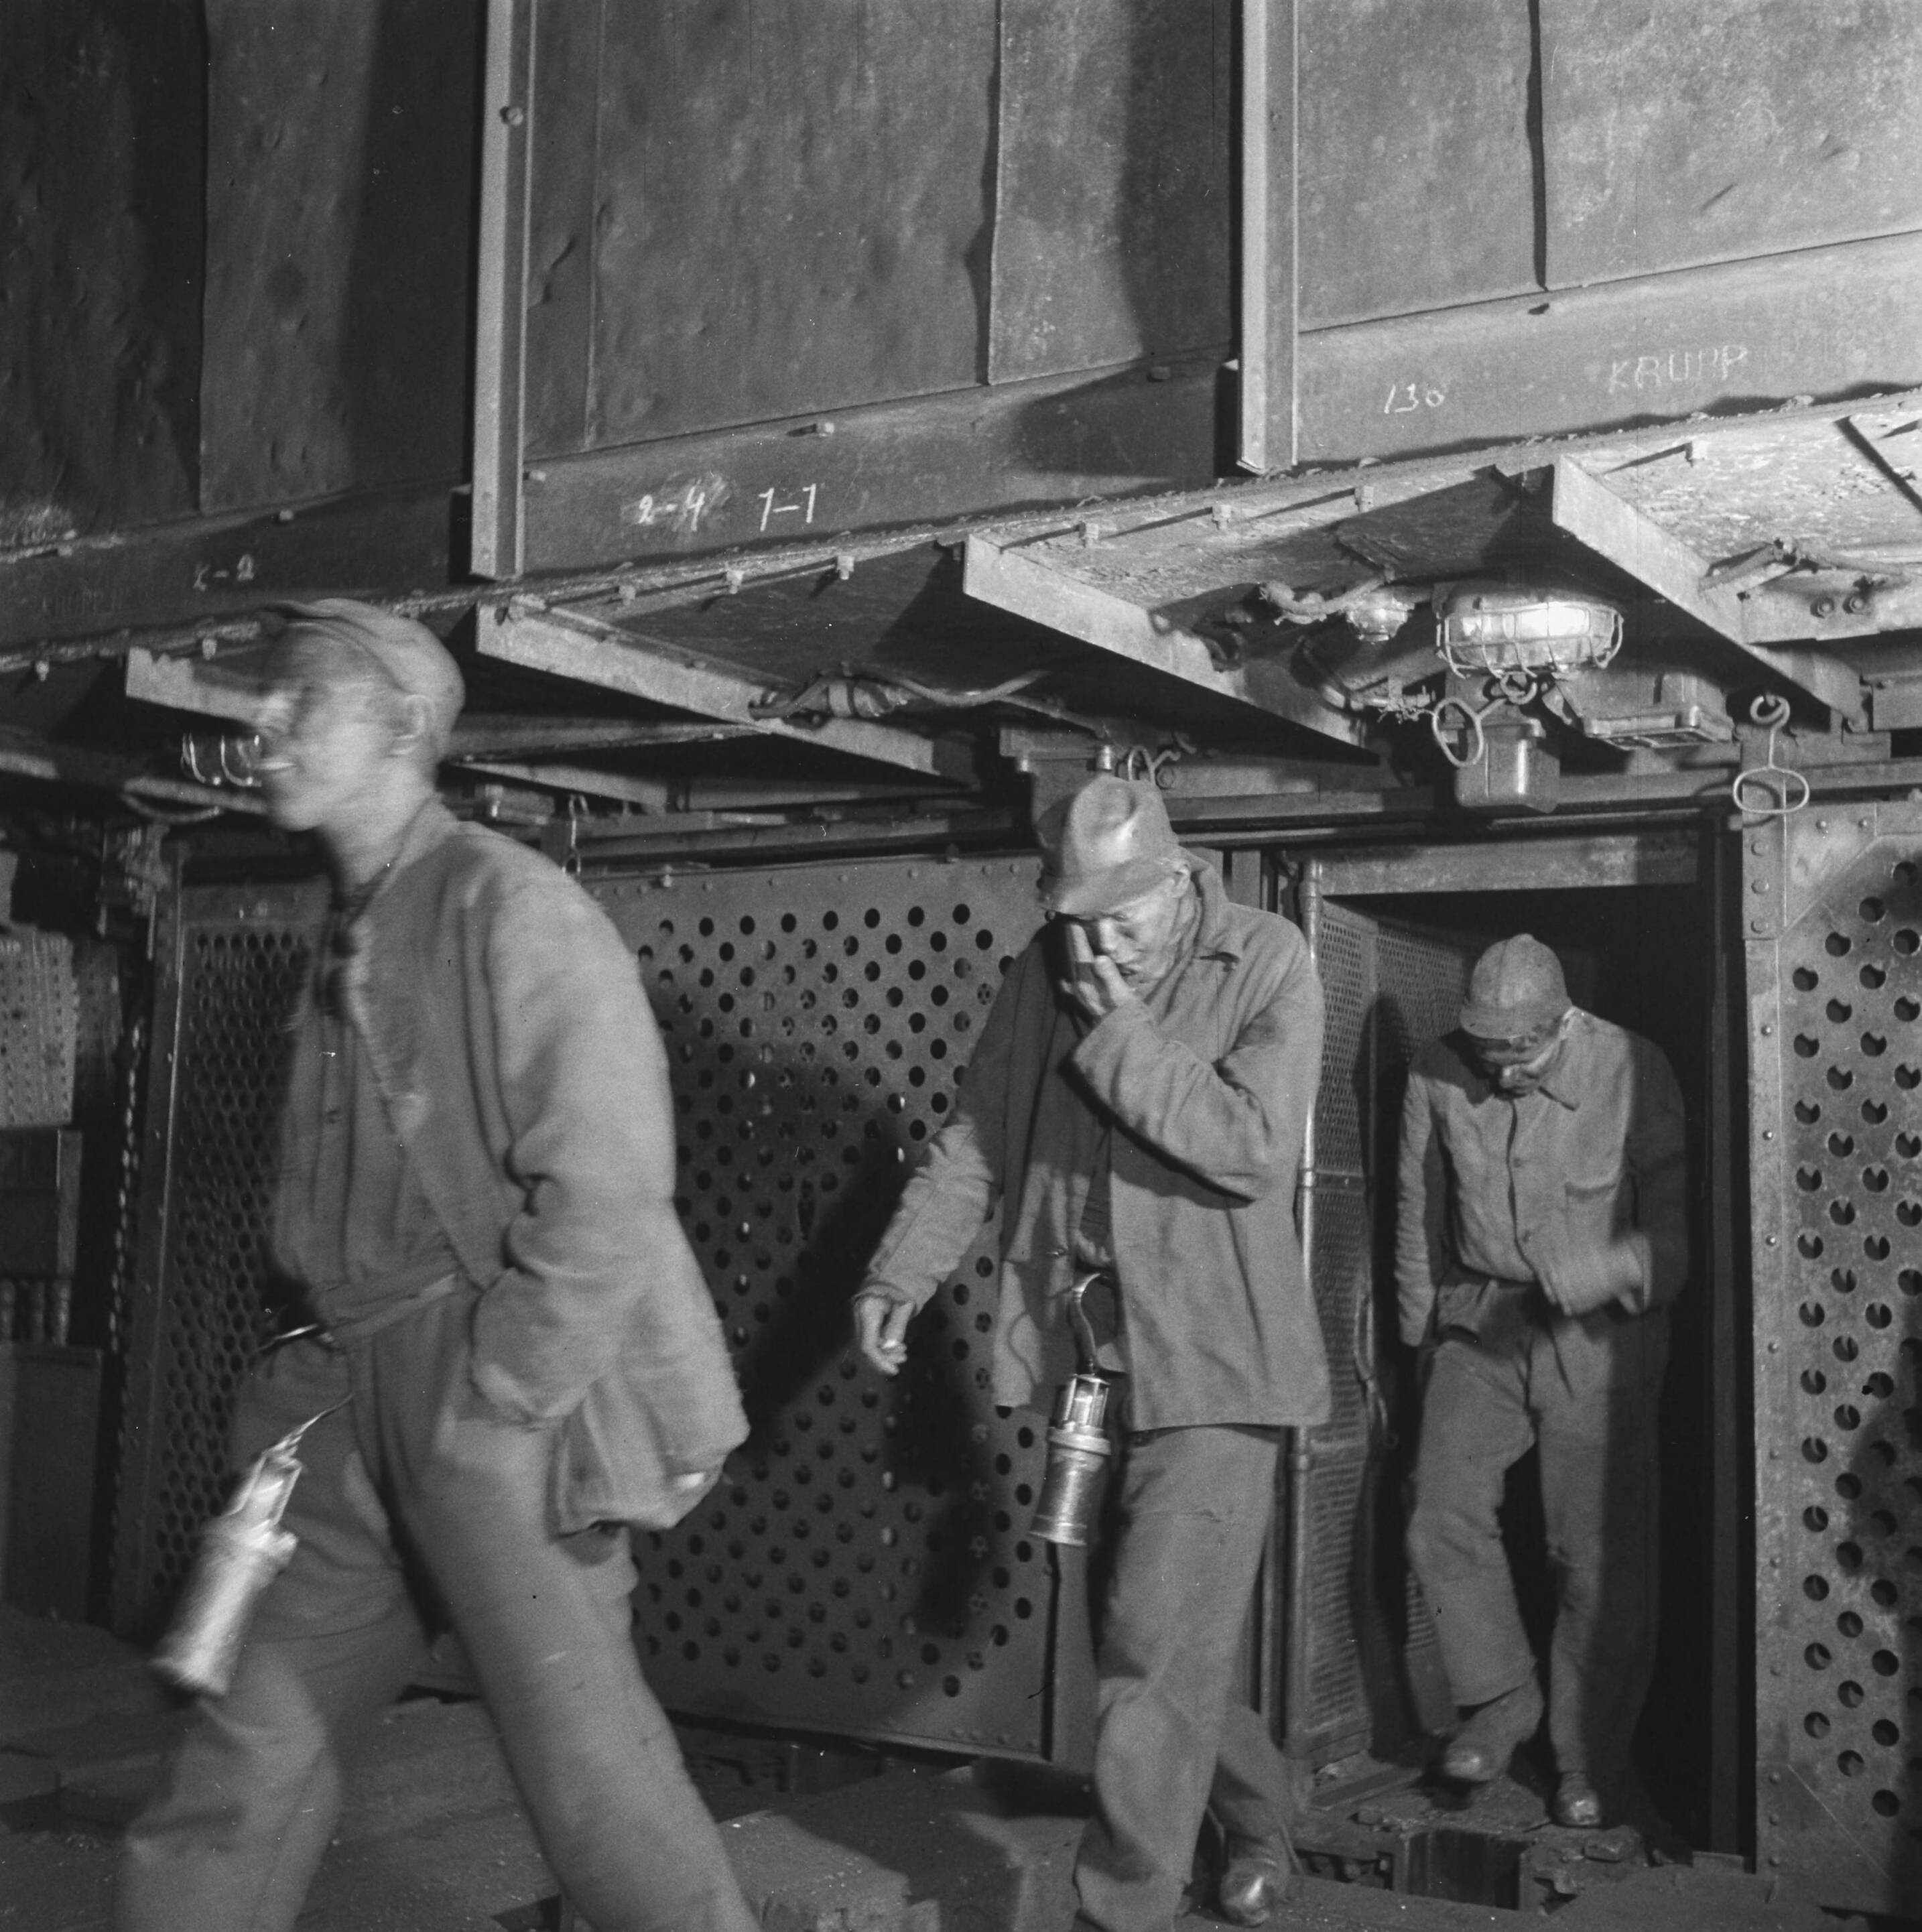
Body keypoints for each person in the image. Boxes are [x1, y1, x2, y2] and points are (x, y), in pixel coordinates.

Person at [117, 600, 757, 1932]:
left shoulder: (505, 900)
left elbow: (609, 1179)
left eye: (305, 697)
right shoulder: (353, 916)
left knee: (598, 1791)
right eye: (269, 695)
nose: (266, 721)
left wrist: (505, 1394)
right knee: (241, 1763)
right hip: (342, 1400)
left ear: (403, 725)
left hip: (474, 1388)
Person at [854, 775, 1328, 1932]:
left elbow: (1253, 1146)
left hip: (1218, 1361)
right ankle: (1263, 1818)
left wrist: (1118, 1034)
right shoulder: (1045, 970)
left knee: (1150, 1646)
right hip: (1088, 1357)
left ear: (1177, 880)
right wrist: (899, 1272)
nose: (1096, 944)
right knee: (1146, 1639)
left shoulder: (1268, 960)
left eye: (1121, 918)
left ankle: (1120, 1910)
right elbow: (976, 1136)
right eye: (1076, 919)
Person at [1396, 933, 1687, 1831]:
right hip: (1482, 1317)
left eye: (1522, 1052)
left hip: (1600, 1334)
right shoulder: (1437, 1071)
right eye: (1488, 1052)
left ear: (1564, 1023)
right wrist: (1414, 1339)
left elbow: (1680, 1243)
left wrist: (1601, 1271)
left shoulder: (1634, 1067)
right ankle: (1501, 1698)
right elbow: (1415, 1213)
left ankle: (1587, 1760)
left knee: (1592, 1557)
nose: (1504, 1071)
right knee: (1437, 1511)